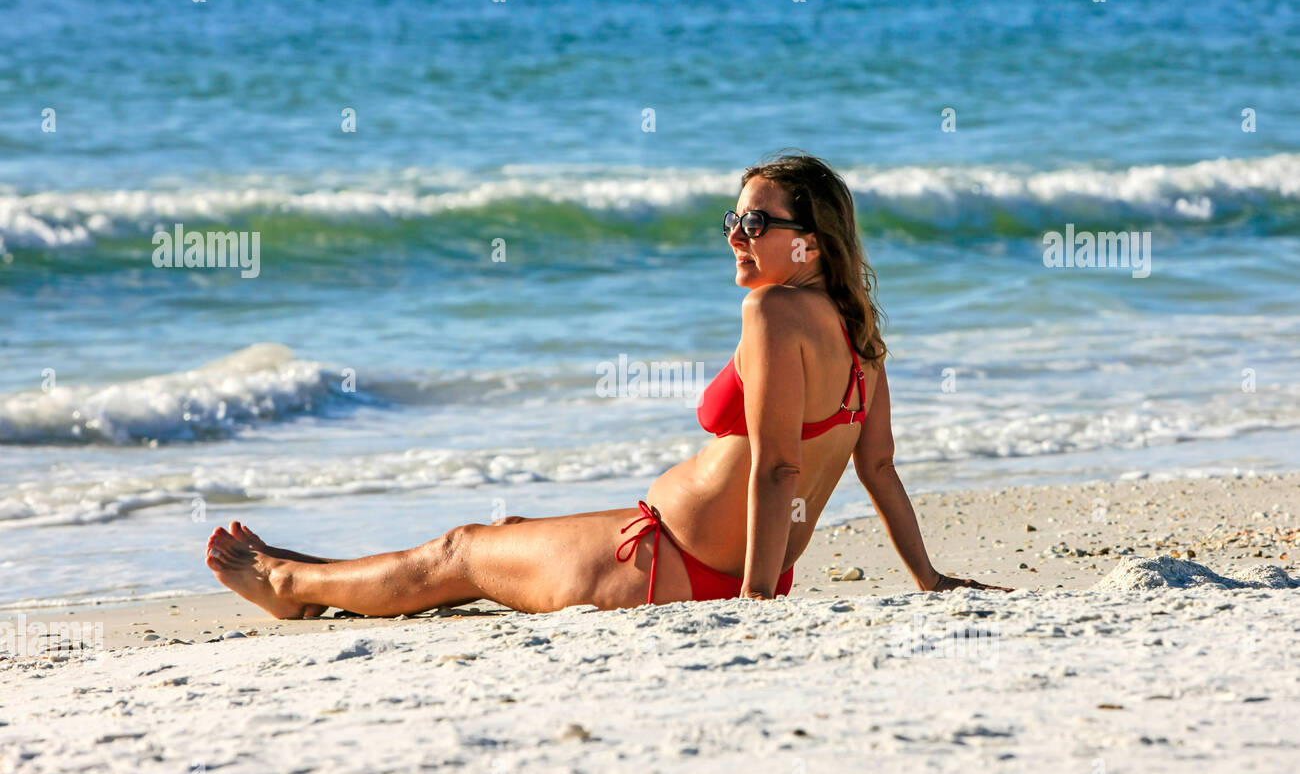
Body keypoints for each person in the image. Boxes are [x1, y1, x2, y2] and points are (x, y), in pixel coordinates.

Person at [205, 152, 1010, 618]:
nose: (735, 235)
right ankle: (312, 571)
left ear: (810, 242)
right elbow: (877, 471)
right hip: (709, 558)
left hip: (671, 563)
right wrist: (927, 580)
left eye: (756, 224)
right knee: (505, 533)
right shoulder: (859, 333)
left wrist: (755, 604)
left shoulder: (772, 315)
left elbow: (776, 468)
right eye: (732, 220)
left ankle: (288, 584)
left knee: (461, 551)